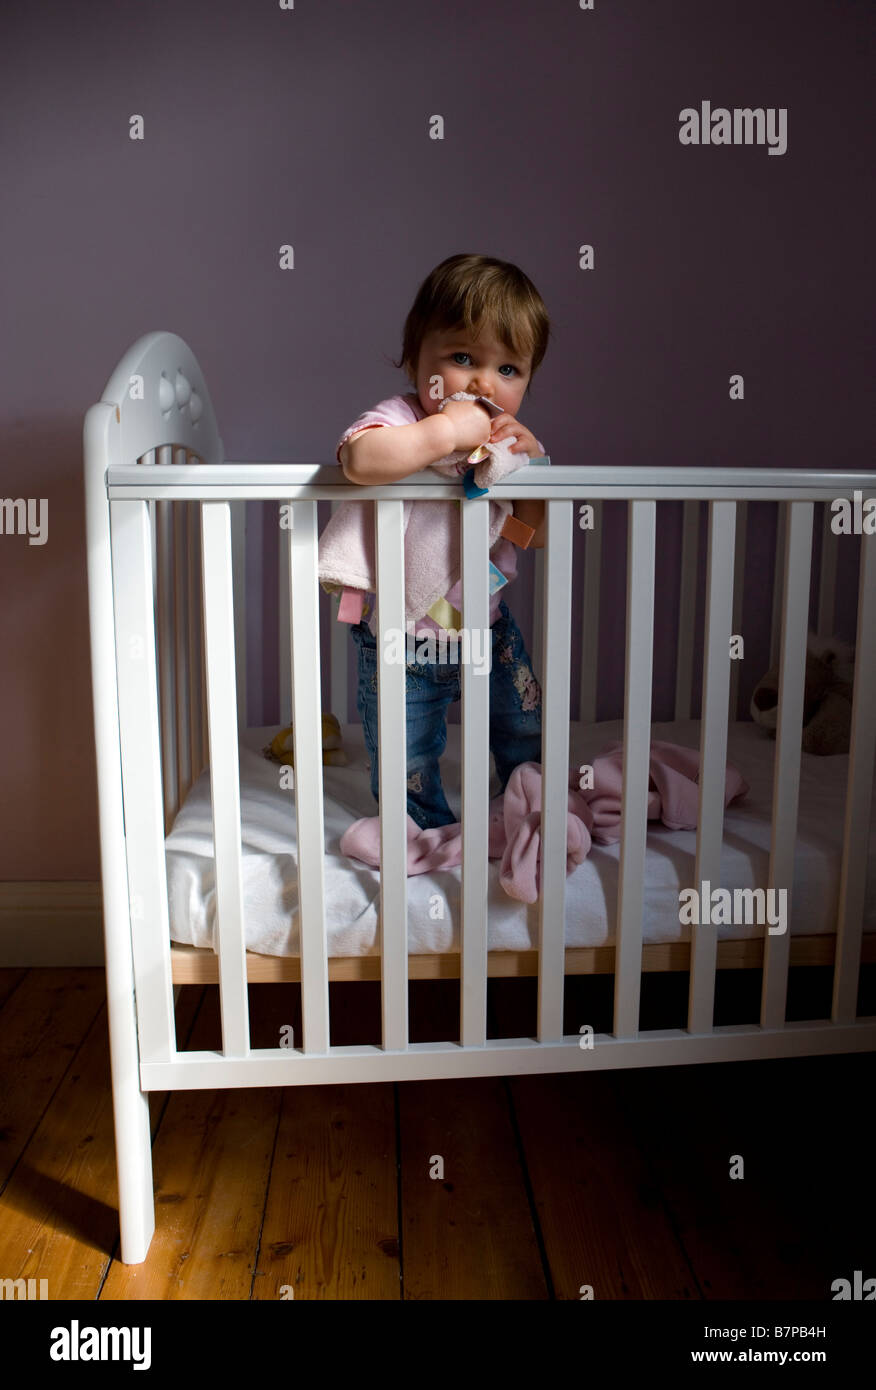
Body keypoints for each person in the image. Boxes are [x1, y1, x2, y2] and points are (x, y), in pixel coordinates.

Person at [319, 252, 552, 829]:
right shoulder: (400, 420)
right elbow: (359, 460)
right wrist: (444, 431)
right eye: (462, 357)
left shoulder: (505, 449)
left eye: (509, 370)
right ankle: (423, 832)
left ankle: (525, 803)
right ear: (414, 359)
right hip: (404, 641)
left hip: (486, 627)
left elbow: (532, 535)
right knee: (408, 750)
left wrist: (533, 472)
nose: (482, 382)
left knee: (521, 719)